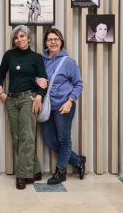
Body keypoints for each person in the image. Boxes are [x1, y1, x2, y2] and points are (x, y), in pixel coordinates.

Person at [0, 25, 47, 190]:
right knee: (17, 137)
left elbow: (43, 80)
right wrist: (1, 92)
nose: (19, 40)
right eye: (16, 37)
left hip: (28, 99)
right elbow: (0, 75)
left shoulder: (36, 58)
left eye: (22, 36)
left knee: (27, 136)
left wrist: (39, 97)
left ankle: (22, 175)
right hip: (11, 100)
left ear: (29, 39)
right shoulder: (9, 55)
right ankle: (35, 170)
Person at [35, 28, 86, 185]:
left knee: (64, 138)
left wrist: (70, 101)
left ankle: (61, 171)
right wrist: (37, 80)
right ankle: (77, 160)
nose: (53, 42)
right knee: (50, 140)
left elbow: (78, 84)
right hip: (47, 106)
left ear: (61, 41)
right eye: (50, 39)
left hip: (64, 105)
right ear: (45, 43)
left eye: (56, 39)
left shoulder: (68, 62)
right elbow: (36, 77)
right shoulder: (41, 60)